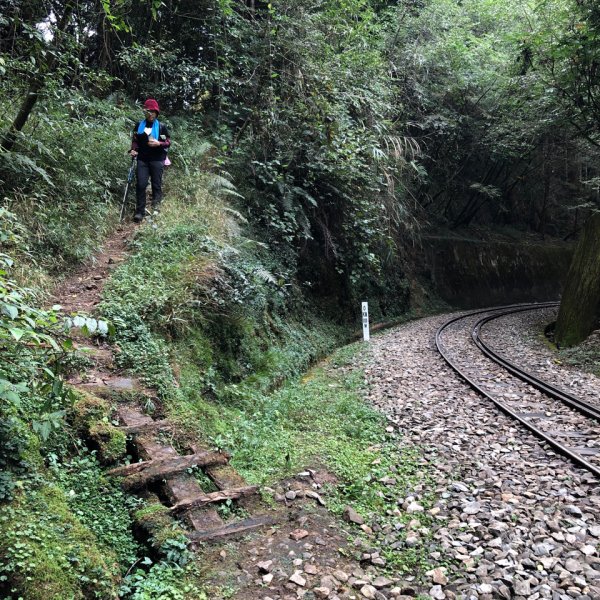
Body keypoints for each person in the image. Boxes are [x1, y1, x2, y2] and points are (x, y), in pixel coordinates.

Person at [128, 98, 171, 222]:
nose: (151, 113)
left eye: (153, 111)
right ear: (145, 112)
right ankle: (139, 212)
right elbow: (135, 140)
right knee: (141, 184)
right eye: (148, 111)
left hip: (157, 160)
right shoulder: (139, 125)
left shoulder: (161, 127)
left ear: (157, 113)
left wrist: (159, 143)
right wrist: (133, 149)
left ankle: (156, 210)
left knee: (156, 185)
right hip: (142, 159)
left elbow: (167, 142)